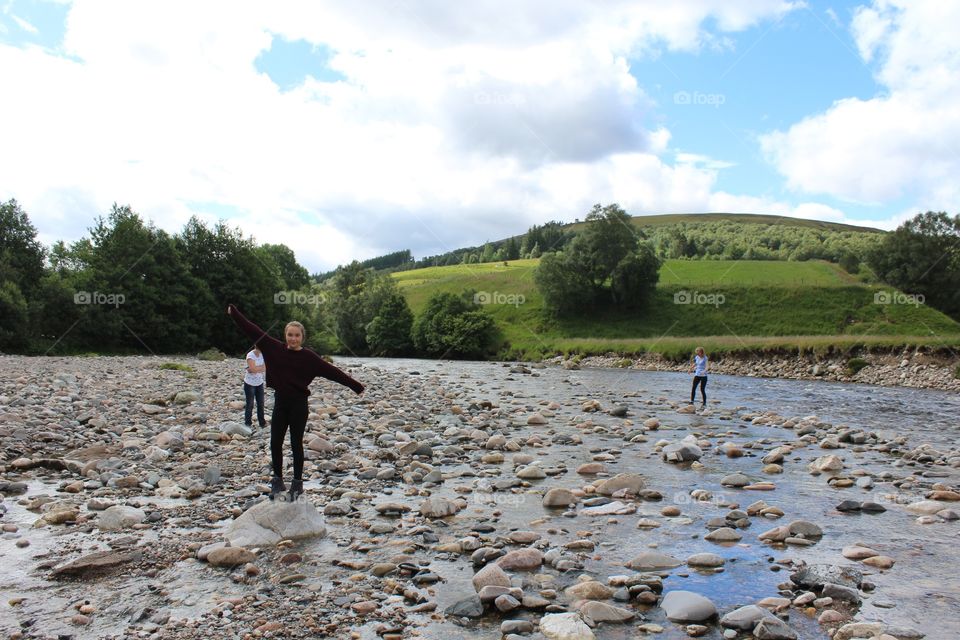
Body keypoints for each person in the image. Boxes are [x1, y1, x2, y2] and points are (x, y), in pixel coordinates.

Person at [227, 304, 365, 501]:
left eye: (297, 335)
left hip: (299, 405)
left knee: (295, 444)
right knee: (275, 442)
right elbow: (252, 329)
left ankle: (297, 484)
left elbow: (333, 372)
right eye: (290, 335)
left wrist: (356, 386)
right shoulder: (274, 348)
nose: (293, 338)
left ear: (302, 337)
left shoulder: (310, 358)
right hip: (281, 403)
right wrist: (234, 312)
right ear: (285, 335)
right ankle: (277, 481)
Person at [243, 345, 267, 428]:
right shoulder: (250, 355)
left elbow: (265, 368)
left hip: (259, 382)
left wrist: (255, 369)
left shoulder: (263, 354)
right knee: (250, 404)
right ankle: (247, 422)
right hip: (249, 383)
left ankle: (262, 422)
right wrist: (257, 368)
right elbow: (253, 369)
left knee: (261, 403)